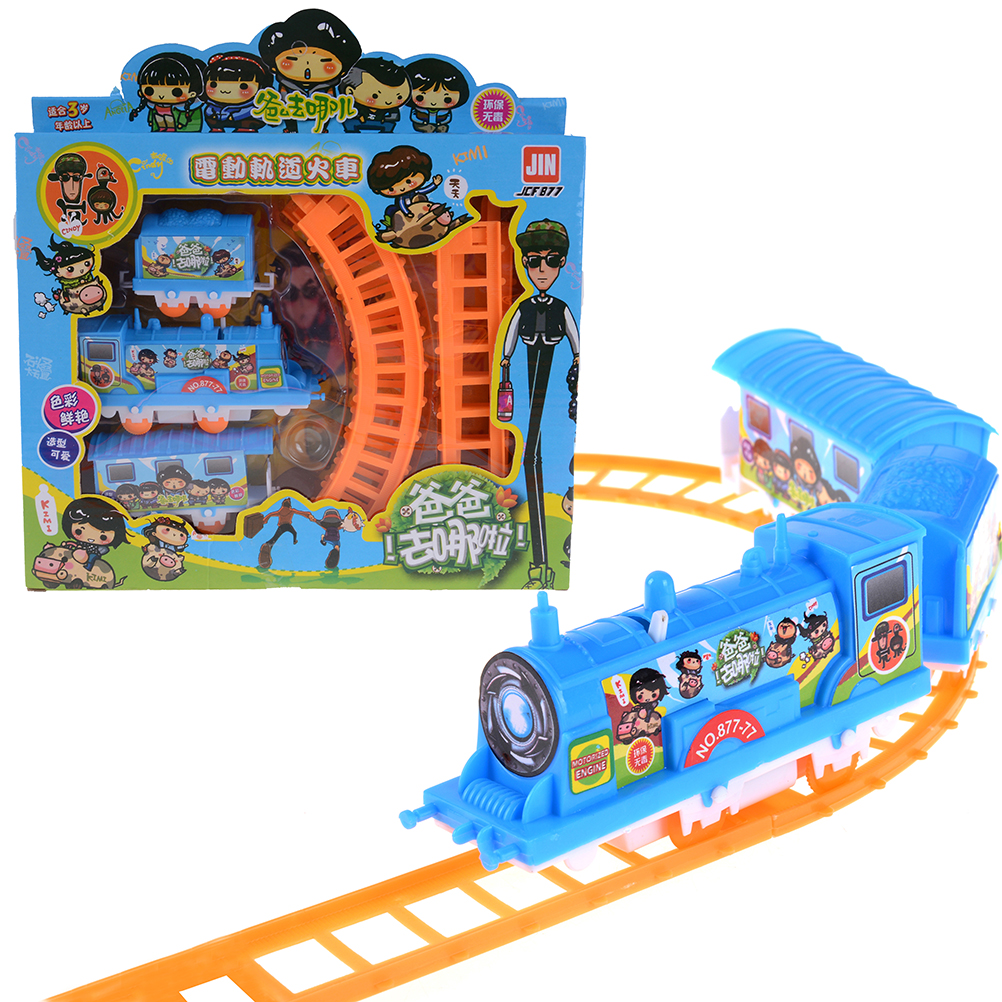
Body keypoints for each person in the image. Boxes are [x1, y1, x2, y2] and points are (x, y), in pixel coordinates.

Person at [499, 219, 580, 589]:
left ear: (561, 263)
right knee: (531, 454)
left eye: (551, 261)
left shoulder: (561, 308)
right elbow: (510, 339)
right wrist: (505, 368)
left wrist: (577, 364)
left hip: (553, 381)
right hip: (529, 373)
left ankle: (542, 566)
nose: (542, 269)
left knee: (536, 454)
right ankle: (539, 566)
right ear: (525, 264)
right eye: (534, 261)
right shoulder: (524, 308)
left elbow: (576, 343)